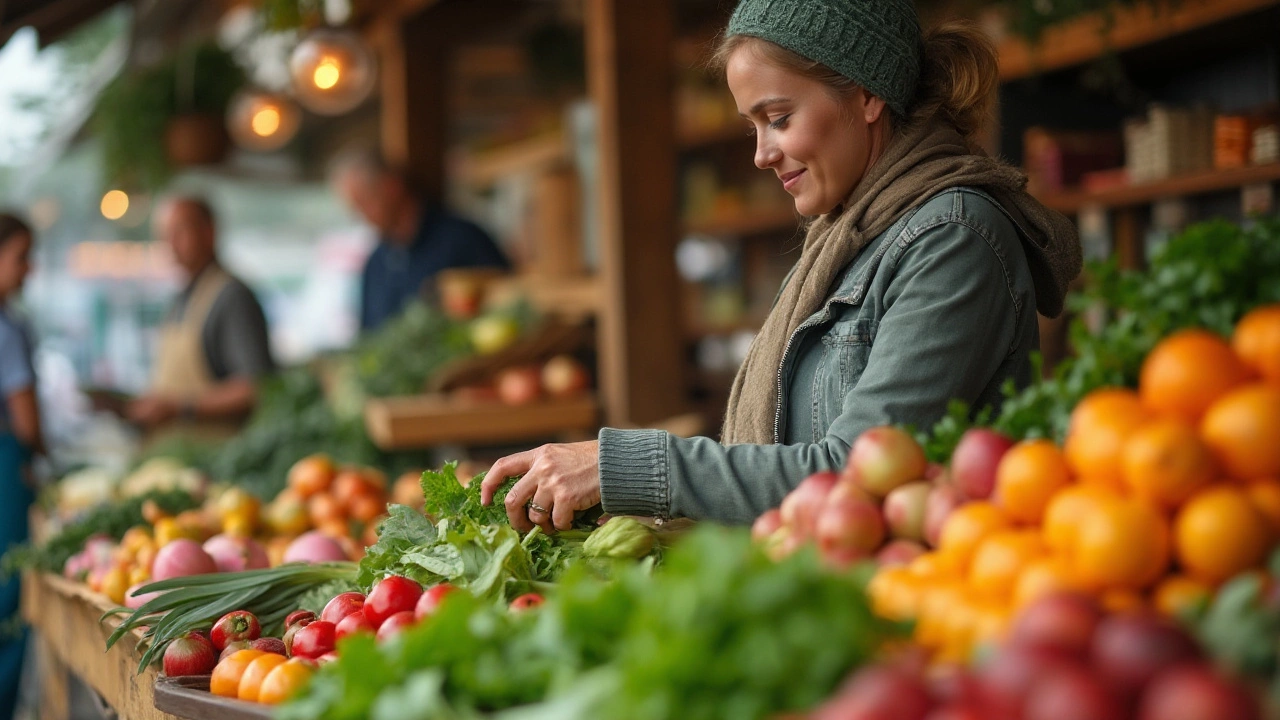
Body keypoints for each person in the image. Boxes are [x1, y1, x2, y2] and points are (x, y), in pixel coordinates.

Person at [481, 0, 1082, 530]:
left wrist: (628, 468)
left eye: (779, 118)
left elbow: (856, 474)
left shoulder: (952, 241)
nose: (761, 154)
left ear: (868, 94)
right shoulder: (847, 236)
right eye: (753, 125)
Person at [126, 197, 275, 437]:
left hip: (219, 456)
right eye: (165, 234)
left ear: (210, 232)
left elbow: (255, 388)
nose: (171, 244)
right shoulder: (181, 298)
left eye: (180, 231)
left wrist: (180, 407)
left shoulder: (232, 297)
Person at [329, 148, 510, 332]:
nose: (362, 216)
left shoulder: (462, 240)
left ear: (392, 186)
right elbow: (368, 337)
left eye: (364, 202)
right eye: (355, 208)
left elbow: (509, 307)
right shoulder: (375, 266)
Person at [0, 212, 41, 720]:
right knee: (10, 600)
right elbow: (27, 421)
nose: (30, 269)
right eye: (21, 257)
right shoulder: (8, 328)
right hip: (7, 468)